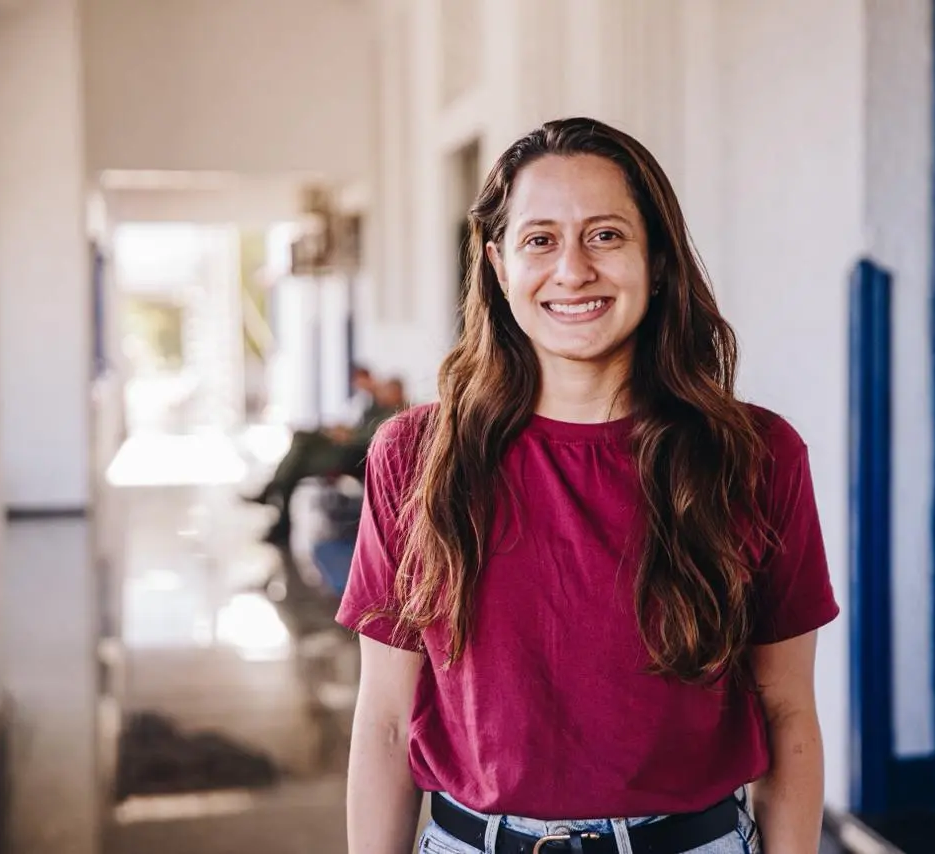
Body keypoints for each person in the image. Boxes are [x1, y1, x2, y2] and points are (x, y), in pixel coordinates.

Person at [336, 116, 839, 854]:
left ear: (657, 260)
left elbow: (788, 709)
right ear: (499, 265)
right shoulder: (417, 457)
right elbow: (384, 718)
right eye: (540, 239)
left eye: (606, 235)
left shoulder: (755, 455)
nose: (573, 270)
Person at [250, 373, 407, 546]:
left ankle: (274, 492)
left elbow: (375, 437)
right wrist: (346, 430)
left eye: (388, 391)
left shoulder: (398, 413)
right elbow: (364, 427)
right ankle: (276, 491)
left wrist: (350, 435)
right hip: (349, 448)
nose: (384, 393)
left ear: (398, 392)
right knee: (301, 440)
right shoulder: (376, 406)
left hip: (354, 455)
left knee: (296, 465)